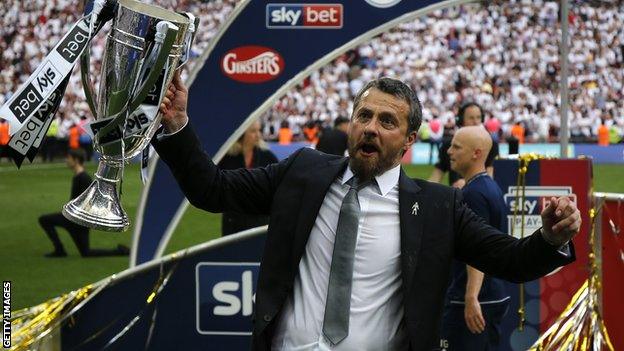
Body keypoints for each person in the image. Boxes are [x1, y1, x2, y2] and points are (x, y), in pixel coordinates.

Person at [155, 72, 580, 350]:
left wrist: (552, 239)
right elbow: (211, 190)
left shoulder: (436, 207)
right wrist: (177, 125)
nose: (372, 127)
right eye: (364, 115)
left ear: (408, 141)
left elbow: (509, 258)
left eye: (387, 122)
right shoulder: (303, 172)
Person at [441, 126, 510, 350]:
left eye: (456, 147)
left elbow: (477, 249)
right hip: (491, 293)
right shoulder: (488, 187)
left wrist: (471, 297)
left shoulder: (473, 194)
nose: (449, 151)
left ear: (476, 153)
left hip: (474, 299)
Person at [39, 148, 129, 258]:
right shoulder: (79, 177)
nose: (67, 160)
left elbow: (89, 202)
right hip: (74, 220)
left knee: (86, 253)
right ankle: (59, 250)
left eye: (69, 158)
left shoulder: (84, 178)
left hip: (78, 222)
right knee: (45, 220)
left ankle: (120, 251)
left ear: (76, 160)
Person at [218, 120, 279, 236]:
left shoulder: (267, 157)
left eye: (259, 130)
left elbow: (277, 187)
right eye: (253, 131)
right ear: (241, 134)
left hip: (260, 221)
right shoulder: (227, 158)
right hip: (233, 221)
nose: (258, 135)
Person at [428, 102, 499, 188]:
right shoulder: (448, 145)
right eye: (471, 118)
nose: (476, 122)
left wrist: (467, 183)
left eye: (478, 117)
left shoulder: (490, 144)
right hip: (455, 198)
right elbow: (436, 176)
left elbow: (489, 176)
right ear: (461, 120)